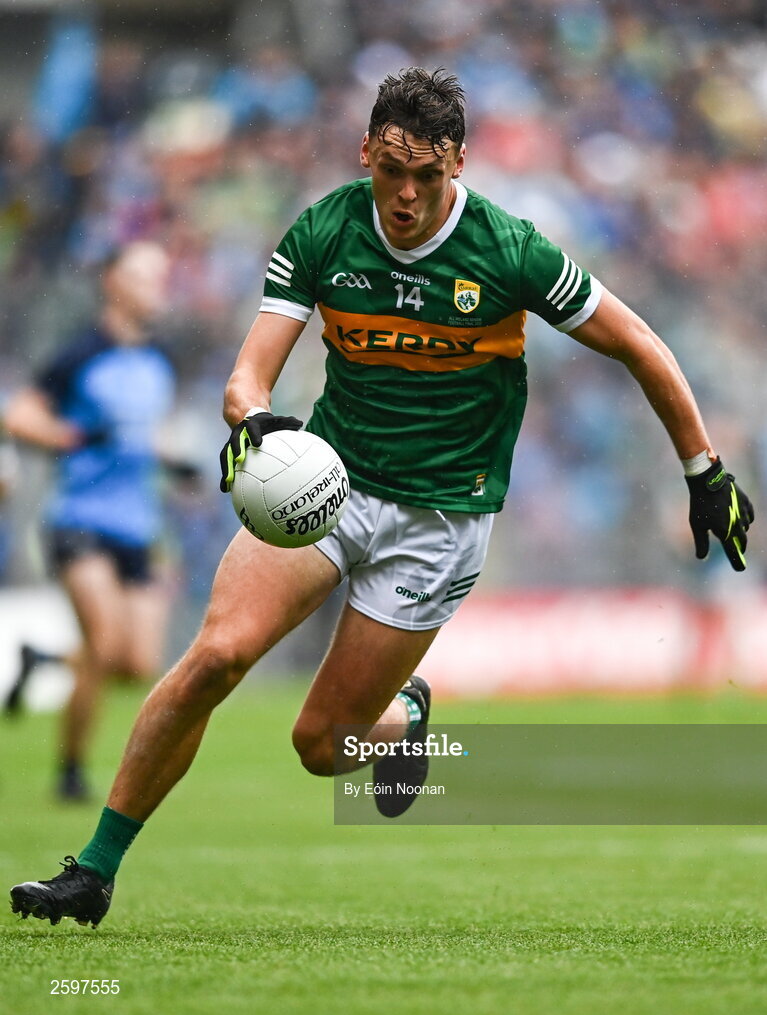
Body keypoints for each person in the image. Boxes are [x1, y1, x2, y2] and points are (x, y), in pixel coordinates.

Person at [9, 68, 753, 927]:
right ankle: (93, 871)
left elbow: (639, 344)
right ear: (365, 151)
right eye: (390, 171)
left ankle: (406, 713)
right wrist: (254, 419)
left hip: (439, 520)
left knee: (322, 747)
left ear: (458, 167)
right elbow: (250, 373)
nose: (404, 196)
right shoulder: (325, 231)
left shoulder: (509, 250)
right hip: (326, 487)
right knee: (214, 657)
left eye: (426, 178)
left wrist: (703, 470)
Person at [2, 241, 178, 800]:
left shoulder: (161, 360)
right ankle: (70, 773)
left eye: (160, 276)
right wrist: (71, 437)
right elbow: (19, 416)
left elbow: (144, 435)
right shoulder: (80, 353)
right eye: (143, 275)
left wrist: (173, 461)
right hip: (80, 519)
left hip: (138, 526)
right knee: (102, 639)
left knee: (136, 662)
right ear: (113, 284)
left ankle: (44, 659)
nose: (156, 286)